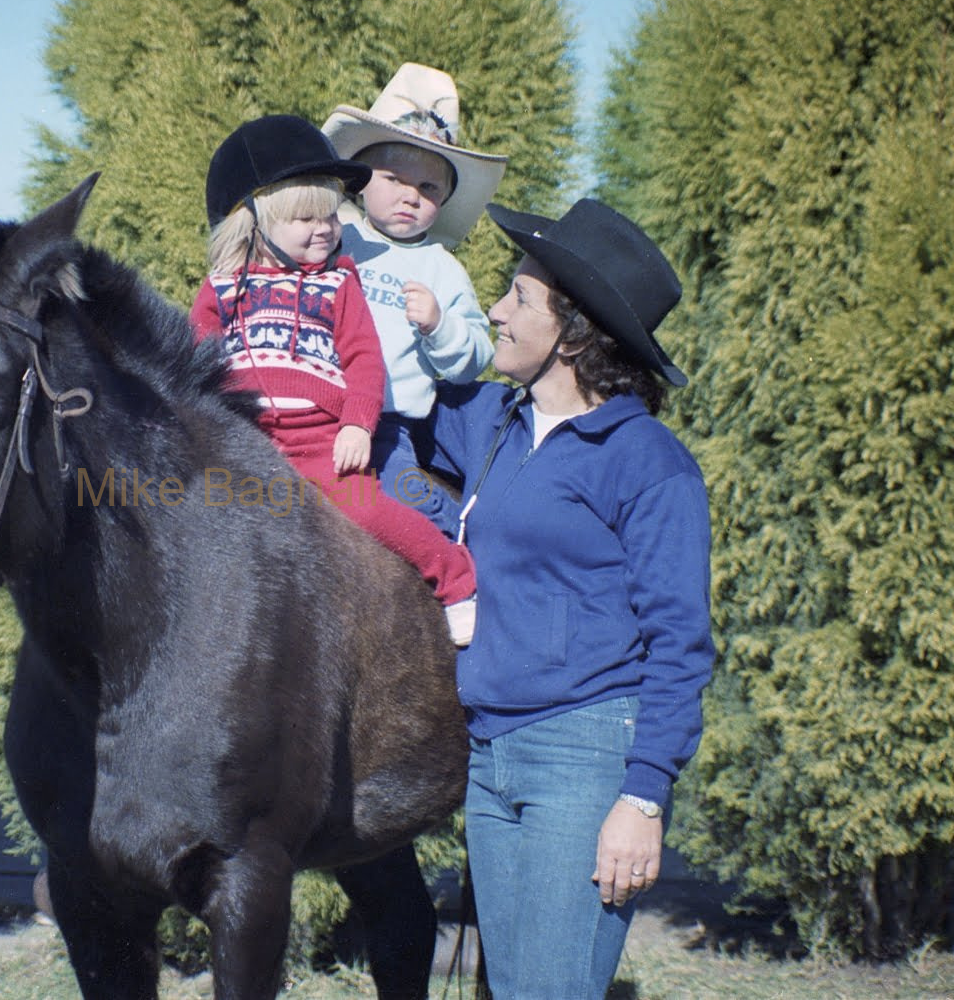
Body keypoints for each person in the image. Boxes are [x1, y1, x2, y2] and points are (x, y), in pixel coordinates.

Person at [425, 199, 715, 998]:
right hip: (490, 758)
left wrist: (643, 797)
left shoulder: (648, 461)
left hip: (586, 757)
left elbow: (680, 643)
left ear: (575, 332)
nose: (496, 309)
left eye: (519, 296)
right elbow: (380, 410)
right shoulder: (487, 421)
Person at [192, 114, 477, 644]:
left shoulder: (338, 283)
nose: (323, 229)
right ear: (255, 223)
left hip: (325, 445)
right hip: (251, 443)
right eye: (305, 219)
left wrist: (357, 424)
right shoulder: (222, 287)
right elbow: (198, 361)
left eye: (329, 216)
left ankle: (456, 580)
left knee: (378, 516)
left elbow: (365, 359)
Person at [321, 64, 508, 535]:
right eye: (395, 179)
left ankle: (461, 575)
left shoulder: (441, 268)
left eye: (428, 188)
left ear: (443, 200)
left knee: (417, 509)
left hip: (388, 428)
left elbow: (475, 357)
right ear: (360, 181)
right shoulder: (335, 239)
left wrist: (439, 326)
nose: (411, 196)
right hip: (314, 412)